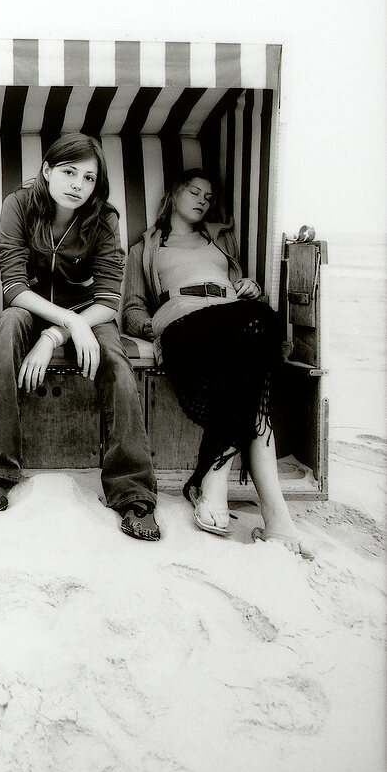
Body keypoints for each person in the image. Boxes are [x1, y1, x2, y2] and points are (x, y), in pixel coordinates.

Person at [0, 133, 160, 541]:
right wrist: (63, 325)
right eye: (69, 172)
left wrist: (61, 332)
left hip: (89, 316)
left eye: (89, 178)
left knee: (116, 358)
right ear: (47, 170)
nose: (78, 184)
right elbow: (14, 287)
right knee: (5, 330)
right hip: (32, 308)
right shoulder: (18, 205)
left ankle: (132, 494)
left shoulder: (103, 218)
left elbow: (109, 299)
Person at [122, 169, 314, 558]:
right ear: (174, 192)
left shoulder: (219, 239)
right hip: (183, 315)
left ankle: (216, 478)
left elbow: (241, 285)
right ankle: (274, 515)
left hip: (231, 313)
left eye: (208, 197)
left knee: (262, 321)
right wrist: (155, 327)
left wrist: (250, 287)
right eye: (194, 191)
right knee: (252, 355)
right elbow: (131, 310)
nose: (202, 200)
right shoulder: (146, 248)